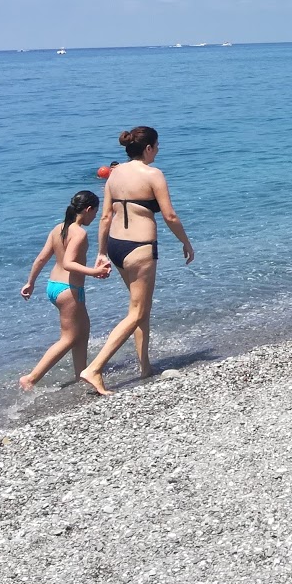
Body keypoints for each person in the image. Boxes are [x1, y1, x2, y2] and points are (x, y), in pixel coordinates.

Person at [79, 127, 195, 395]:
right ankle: (94, 369)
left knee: (140, 307)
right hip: (140, 247)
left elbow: (106, 217)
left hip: (117, 247)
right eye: (157, 145)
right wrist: (185, 242)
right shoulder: (153, 174)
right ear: (148, 148)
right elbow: (170, 216)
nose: (158, 150)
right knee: (137, 311)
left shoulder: (115, 174)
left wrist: (101, 251)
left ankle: (145, 367)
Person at [19, 190, 111, 390]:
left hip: (54, 286)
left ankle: (82, 374)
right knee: (68, 338)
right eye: (95, 212)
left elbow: (42, 258)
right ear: (87, 210)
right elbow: (69, 263)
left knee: (83, 330)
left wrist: (30, 282)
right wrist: (94, 271)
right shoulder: (79, 232)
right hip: (69, 290)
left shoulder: (58, 228)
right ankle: (31, 378)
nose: (95, 217)